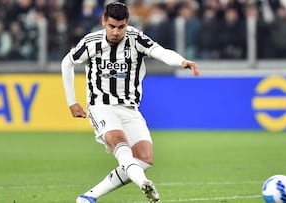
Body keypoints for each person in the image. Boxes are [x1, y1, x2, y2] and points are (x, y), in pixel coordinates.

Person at [60, 2, 200, 203]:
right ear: (103, 22)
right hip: (101, 105)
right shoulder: (91, 42)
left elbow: (160, 51)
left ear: (127, 23)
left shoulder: (135, 39)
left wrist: (182, 62)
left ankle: (88, 197)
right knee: (119, 142)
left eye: (121, 27)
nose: (116, 32)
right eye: (112, 26)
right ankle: (143, 183)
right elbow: (67, 62)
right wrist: (72, 101)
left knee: (144, 158)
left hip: (130, 108)